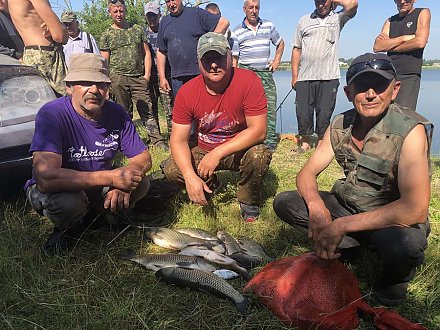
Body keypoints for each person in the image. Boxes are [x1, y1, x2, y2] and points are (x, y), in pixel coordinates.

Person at [273, 53, 432, 306]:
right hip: (350, 205)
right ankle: (355, 247)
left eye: (379, 86)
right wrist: (316, 206)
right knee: (285, 203)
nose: (370, 94)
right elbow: (306, 173)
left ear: (395, 90)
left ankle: (394, 280)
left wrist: (340, 226)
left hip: (391, 219)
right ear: (348, 92)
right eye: (361, 87)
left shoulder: (410, 130)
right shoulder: (340, 124)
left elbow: (414, 209)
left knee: (403, 247)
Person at [25, 53, 152, 255]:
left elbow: (143, 158)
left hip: (97, 186)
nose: (94, 90)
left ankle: (102, 215)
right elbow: (45, 178)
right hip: (60, 190)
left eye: (101, 84)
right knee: (68, 203)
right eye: (85, 83)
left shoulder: (117, 113)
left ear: (108, 89)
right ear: (69, 87)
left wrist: (127, 179)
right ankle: (66, 229)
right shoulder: (52, 114)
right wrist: (111, 177)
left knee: (141, 181)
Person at [162, 32, 272, 222]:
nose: (214, 64)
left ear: (230, 56)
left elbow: (259, 130)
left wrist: (217, 153)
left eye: (219, 57)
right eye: (207, 59)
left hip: (240, 149)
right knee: (172, 168)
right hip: (204, 148)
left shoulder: (249, 81)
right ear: (199, 62)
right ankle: (210, 185)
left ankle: (247, 200)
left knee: (259, 155)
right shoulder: (187, 92)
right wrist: (189, 176)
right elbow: (178, 139)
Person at [291, 0, 358, 153]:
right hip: (304, 76)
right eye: (318, 1)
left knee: (324, 112)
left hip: (329, 76)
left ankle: (321, 144)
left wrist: (335, 1)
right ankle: (305, 144)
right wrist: (294, 76)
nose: (321, 5)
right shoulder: (303, 20)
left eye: (325, 1)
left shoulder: (337, 19)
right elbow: (296, 49)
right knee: (303, 112)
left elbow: (353, 4)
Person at [100, 0, 167, 151]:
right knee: (122, 112)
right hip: (117, 77)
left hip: (138, 77)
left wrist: (146, 76)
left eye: (121, 11)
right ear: (110, 13)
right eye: (115, 11)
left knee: (147, 109)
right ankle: (126, 142)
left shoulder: (137, 29)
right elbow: (104, 60)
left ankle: (157, 141)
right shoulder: (107, 34)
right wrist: (106, 82)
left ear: (125, 11)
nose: (119, 14)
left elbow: (147, 53)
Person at [231, 0, 284, 152]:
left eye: (257, 8)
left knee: (270, 105)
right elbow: (234, 58)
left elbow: (280, 43)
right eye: (251, 8)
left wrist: (276, 61)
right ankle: (248, 138)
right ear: (244, 9)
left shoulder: (269, 26)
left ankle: (270, 142)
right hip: (246, 72)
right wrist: (234, 78)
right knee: (245, 108)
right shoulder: (236, 31)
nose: (254, 11)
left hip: (265, 72)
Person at [156, 0, 229, 98]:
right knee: (183, 110)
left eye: (174, 0)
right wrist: (162, 77)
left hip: (199, 74)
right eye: (168, 1)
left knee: (203, 108)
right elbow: (161, 51)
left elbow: (224, 22)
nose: (171, 4)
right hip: (177, 78)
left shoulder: (196, 13)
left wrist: (210, 42)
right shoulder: (164, 22)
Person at [373, 0, 430, 111]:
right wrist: (403, 38)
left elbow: (420, 42)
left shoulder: (423, 12)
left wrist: (389, 45)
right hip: (388, 74)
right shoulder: (390, 21)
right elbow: (377, 47)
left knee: (404, 115)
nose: (402, 2)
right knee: (384, 112)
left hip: (409, 75)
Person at [7, 0, 68, 96]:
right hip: (47, 56)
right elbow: (60, 36)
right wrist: (62, 27)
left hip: (30, 54)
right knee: (62, 100)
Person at [144, 1, 174, 137]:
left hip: (166, 75)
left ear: (159, 15)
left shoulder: (166, 30)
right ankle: (157, 138)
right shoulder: (143, 34)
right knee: (151, 107)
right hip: (150, 77)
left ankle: (173, 136)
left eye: (154, 16)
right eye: (149, 16)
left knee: (169, 108)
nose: (151, 19)